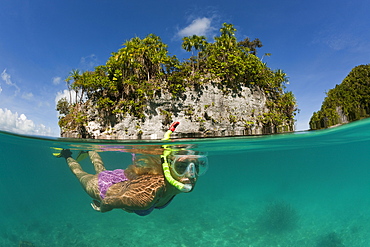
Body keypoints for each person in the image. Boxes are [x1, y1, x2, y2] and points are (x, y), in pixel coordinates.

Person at [54, 122, 208, 216]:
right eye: (181, 166)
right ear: (168, 166)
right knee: (79, 173)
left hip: (122, 179)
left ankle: (89, 149)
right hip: (103, 187)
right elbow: (109, 201)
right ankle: (66, 155)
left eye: (197, 166)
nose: (191, 174)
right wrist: (103, 208)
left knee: (101, 168)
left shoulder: (174, 184)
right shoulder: (145, 198)